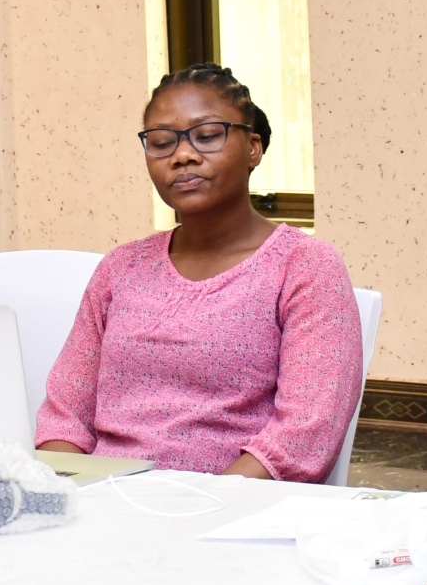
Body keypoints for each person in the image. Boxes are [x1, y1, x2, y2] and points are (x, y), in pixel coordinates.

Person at [35, 64, 363, 483]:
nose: (182, 155)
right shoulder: (121, 268)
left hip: (231, 514)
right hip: (106, 507)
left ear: (253, 148)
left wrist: (198, 510)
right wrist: (67, 494)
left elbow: (304, 436)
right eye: (160, 142)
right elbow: (64, 418)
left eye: (207, 136)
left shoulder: (304, 267)